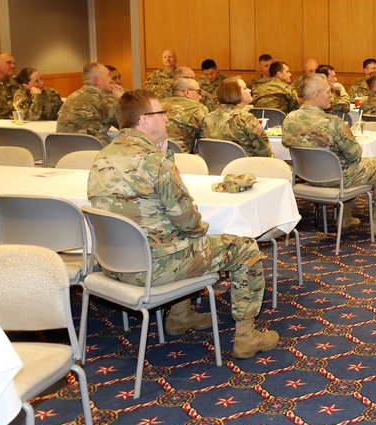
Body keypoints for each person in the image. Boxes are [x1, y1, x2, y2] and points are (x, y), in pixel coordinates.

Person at [87, 89, 277, 358]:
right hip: (155, 268)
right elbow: (189, 222)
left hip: (113, 264)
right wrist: (168, 165)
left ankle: (180, 316)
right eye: (161, 114)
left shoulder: (102, 156)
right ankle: (247, 337)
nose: (166, 119)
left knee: (179, 239)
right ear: (144, 120)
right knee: (244, 247)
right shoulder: (154, 162)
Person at [283, 74, 376, 237]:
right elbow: (355, 155)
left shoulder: (290, 119)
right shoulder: (333, 122)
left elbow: (287, 143)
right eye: (328, 92)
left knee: (350, 166)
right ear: (316, 95)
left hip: (307, 177)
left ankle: (346, 219)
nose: (331, 95)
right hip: (337, 179)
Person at [201, 77, 273, 158]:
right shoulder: (245, 118)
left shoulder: (208, 118)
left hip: (215, 167)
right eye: (245, 88)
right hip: (243, 168)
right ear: (235, 93)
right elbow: (264, 152)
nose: (249, 90)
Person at [56, 62, 125, 146]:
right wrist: (123, 98)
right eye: (108, 76)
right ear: (97, 80)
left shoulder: (71, 97)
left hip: (65, 153)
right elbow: (131, 126)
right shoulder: (105, 100)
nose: (111, 80)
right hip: (93, 154)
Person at [163, 76, 208, 153]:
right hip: (181, 159)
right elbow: (205, 141)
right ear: (187, 92)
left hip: (155, 156)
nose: (200, 97)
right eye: (199, 92)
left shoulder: (157, 104)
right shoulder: (198, 108)